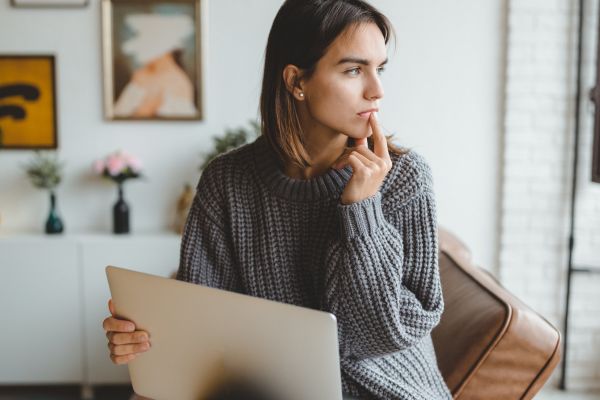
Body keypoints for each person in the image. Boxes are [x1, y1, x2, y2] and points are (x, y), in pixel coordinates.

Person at [103, 0, 452, 398]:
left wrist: (361, 211)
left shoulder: (404, 178)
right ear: (296, 81)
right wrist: (142, 339)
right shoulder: (228, 181)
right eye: (354, 70)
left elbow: (377, 336)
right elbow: (204, 317)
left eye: (380, 68)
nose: (377, 90)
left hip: (386, 389)